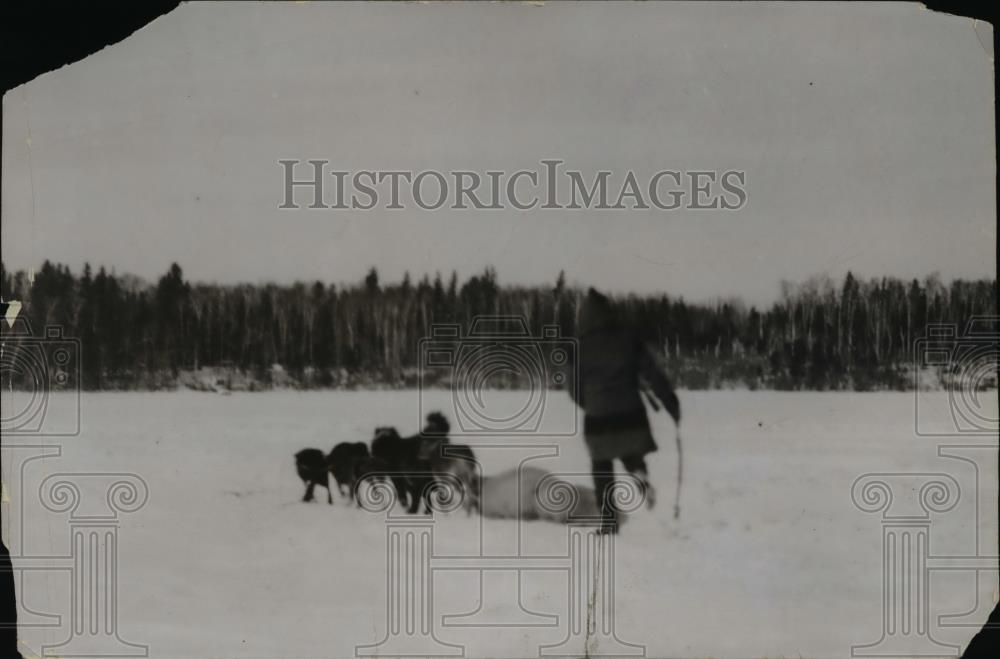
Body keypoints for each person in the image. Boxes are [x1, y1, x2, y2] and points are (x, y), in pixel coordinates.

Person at [568, 287, 681, 533]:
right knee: (629, 449)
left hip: (597, 419)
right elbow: (653, 375)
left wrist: (590, 403)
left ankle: (609, 523)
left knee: (602, 466)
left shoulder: (579, 347)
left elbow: (573, 390)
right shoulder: (628, 339)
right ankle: (639, 474)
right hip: (631, 415)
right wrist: (671, 402)